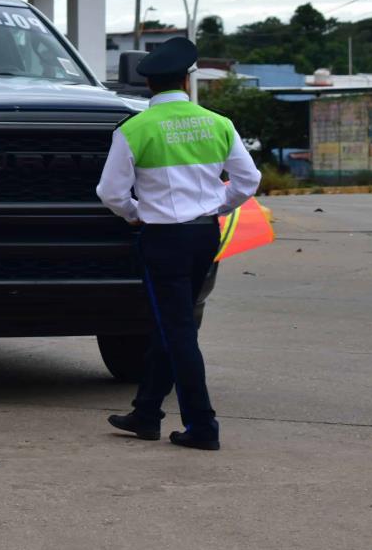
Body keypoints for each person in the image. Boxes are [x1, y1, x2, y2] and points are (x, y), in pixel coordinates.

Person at [96, 36, 260, 451]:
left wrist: (135, 212)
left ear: (147, 85)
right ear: (188, 81)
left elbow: (110, 193)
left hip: (163, 237)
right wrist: (216, 206)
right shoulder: (218, 123)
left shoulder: (135, 129)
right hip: (205, 234)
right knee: (173, 323)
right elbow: (248, 181)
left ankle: (202, 424)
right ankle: (146, 412)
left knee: (178, 331)